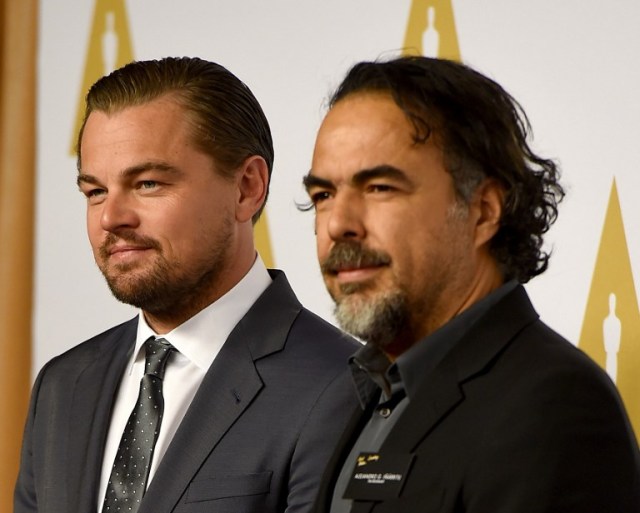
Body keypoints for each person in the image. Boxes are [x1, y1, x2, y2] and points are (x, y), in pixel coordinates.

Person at [15, 57, 359, 513]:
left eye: (148, 183)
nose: (110, 218)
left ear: (246, 188)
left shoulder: (342, 385)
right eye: (95, 191)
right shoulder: (62, 386)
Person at [303, 56, 640, 512]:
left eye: (380, 187)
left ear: (482, 211)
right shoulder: (377, 391)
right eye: (323, 195)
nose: (339, 223)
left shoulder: (554, 406)